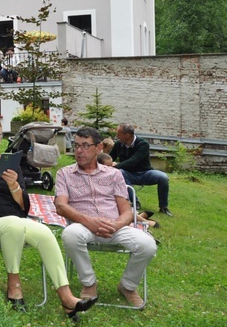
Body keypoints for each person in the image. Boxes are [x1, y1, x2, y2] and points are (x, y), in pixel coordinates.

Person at [0, 115, 96, 319]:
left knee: (45, 233)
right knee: (14, 224)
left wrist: (14, 186)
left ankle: (67, 298)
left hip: (14, 221)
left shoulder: (10, 164)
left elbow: (23, 206)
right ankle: (14, 286)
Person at [55, 126, 158, 308]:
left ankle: (127, 286)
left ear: (99, 147)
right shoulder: (65, 174)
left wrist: (116, 225)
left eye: (86, 146)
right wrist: (90, 222)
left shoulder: (114, 174)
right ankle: (89, 283)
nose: (79, 151)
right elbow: (61, 206)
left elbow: (126, 211)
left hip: (114, 226)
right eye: (77, 145)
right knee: (70, 234)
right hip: (84, 226)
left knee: (148, 245)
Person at [110, 123, 172, 217]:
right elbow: (110, 157)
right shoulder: (118, 144)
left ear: (127, 135)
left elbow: (133, 161)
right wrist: (104, 163)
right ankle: (135, 202)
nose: (117, 136)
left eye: (119, 134)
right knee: (121, 173)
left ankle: (163, 207)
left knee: (163, 177)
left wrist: (115, 166)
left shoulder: (143, 144)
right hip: (128, 174)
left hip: (145, 173)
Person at [98, 152, 160, 230]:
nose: (111, 169)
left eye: (112, 166)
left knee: (124, 210)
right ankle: (142, 219)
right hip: (106, 207)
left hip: (117, 205)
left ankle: (140, 218)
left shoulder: (114, 177)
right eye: (107, 166)